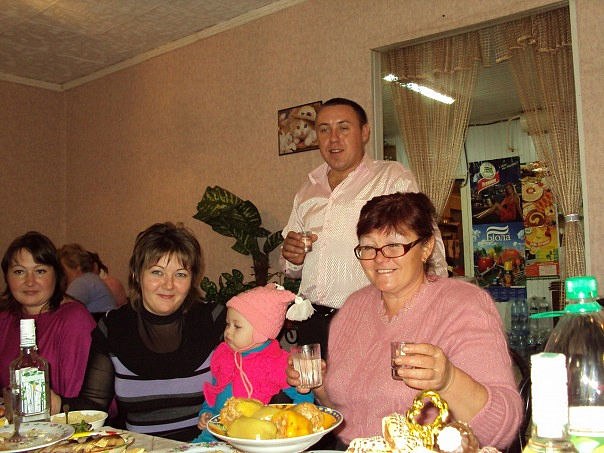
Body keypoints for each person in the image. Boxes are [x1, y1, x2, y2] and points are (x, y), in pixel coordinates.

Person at [287, 192, 522, 449]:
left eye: (394, 246)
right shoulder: (353, 307)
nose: (379, 258)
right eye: (368, 247)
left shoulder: (464, 304)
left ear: (426, 248)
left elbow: (503, 428)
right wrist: (319, 384)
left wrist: (449, 380)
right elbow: (347, 413)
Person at [281, 97, 448, 353]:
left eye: (343, 128)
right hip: (313, 321)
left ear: (365, 132)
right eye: (324, 130)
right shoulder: (307, 190)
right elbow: (291, 268)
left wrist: (433, 312)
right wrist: (293, 257)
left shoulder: (391, 178)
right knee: (314, 381)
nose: (333, 138)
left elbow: (430, 247)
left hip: (370, 320)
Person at [60, 222, 222, 441]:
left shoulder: (214, 320)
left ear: (192, 279)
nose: (168, 285)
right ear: (137, 274)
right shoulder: (114, 327)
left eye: (181, 274)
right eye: (157, 272)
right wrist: (58, 404)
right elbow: (93, 404)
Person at [193, 283, 314, 443]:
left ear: (261, 333)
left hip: (254, 439)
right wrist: (206, 412)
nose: (228, 331)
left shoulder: (275, 361)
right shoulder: (223, 355)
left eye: (237, 326)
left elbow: (303, 395)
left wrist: (294, 424)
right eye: (227, 324)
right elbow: (214, 390)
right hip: (214, 433)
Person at [0, 231, 96, 411]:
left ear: (56, 275)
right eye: (19, 272)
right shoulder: (4, 321)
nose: (30, 281)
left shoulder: (74, 319)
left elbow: (89, 404)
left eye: (40, 271)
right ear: (7, 277)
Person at [58, 243, 117, 318]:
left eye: (63, 269)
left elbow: (61, 312)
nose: (60, 273)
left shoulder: (81, 283)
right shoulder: (91, 279)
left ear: (77, 267)